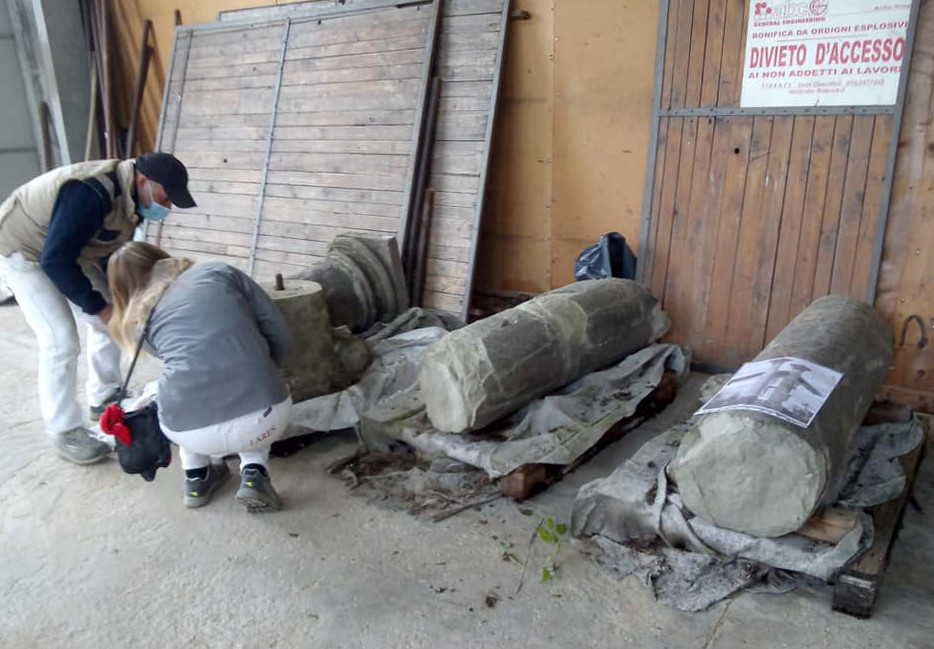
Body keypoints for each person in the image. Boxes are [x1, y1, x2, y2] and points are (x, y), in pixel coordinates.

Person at [0, 153, 196, 465]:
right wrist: (96, 305)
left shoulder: (134, 199)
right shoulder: (90, 193)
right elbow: (55, 260)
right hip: (24, 249)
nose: (168, 206)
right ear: (143, 181)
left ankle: (104, 395)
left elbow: (111, 253)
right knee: (59, 339)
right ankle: (64, 431)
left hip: (71, 247)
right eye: (166, 197)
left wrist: (123, 302)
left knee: (112, 319)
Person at [108, 241, 292, 513]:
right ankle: (254, 474)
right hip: (266, 419)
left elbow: (191, 362)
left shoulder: (138, 323)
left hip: (190, 433)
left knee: (178, 395)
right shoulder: (219, 272)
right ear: (161, 257)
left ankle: (197, 480)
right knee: (250, 393)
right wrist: (263, 370)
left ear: (122, 290)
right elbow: (280, 333)